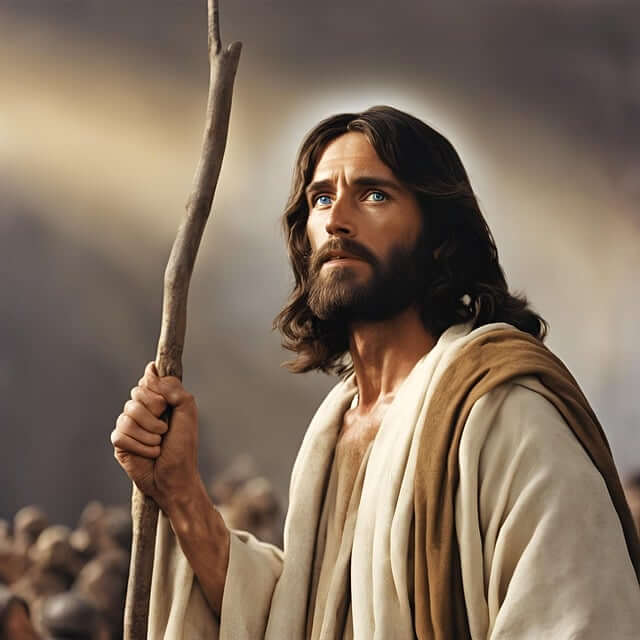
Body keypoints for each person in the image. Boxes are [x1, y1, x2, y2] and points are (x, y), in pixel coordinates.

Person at [111, 106, 640, 639]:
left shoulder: (506, 416)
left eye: (374, 195)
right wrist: (180, 491)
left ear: (438, 234)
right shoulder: (336, 426)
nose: (337, 220)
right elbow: (305, 622)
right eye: (321, 198)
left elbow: (580, 620)